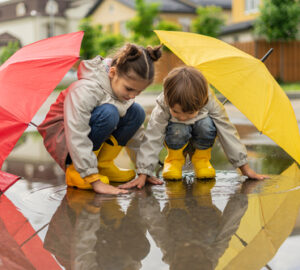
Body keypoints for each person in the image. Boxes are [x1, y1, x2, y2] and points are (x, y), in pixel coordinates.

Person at [38, 43, 162, 195]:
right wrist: (93, 179)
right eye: (129, 89)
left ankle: (103, 165)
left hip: (85, 137)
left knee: (137, 112)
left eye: (139, 91)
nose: (132, 96)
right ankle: (77, 171)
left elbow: (136, 136)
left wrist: (145, 171)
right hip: (66, 139)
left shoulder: (120, 89)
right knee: (109, 113)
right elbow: (77, 132)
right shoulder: (85, 89)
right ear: (112, 72)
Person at [120, 66, 268, 189]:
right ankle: (174, 160)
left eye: (190, 112)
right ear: (167, 99)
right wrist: (144, 172)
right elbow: (153, 136)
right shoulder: (164, 103)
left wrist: (244, 167)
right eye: (176, 111)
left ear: (202, 102)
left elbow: (227, 131)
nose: (183, 117)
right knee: (179, 126)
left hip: (201, 139)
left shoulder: (209, 102)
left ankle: (201, 160)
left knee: (207, 124)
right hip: (175, 137)